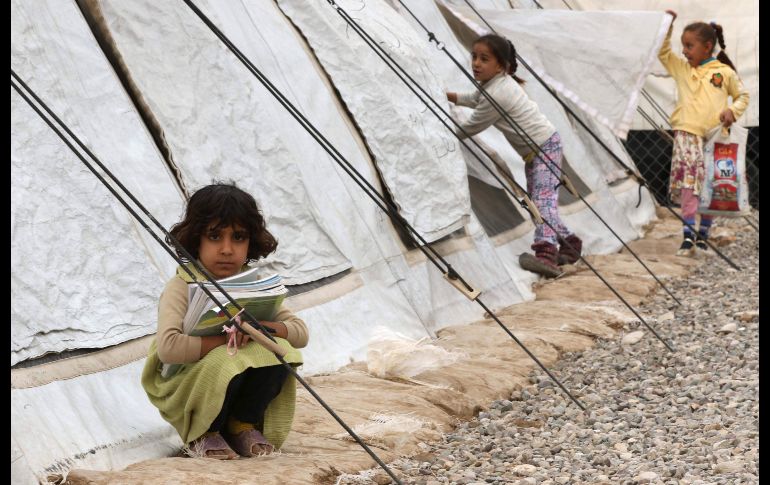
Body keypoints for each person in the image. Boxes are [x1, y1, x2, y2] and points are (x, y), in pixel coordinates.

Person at [141, 182, 308, 459]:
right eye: (215, 237)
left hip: (230, 371)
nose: (227, 249)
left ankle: (241, 424)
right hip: (184, 386)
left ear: (251, 241)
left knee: (283, 351)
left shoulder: (254, 284)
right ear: (196, 239)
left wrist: (261, 329)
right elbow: (169, 348)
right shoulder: (182, 286)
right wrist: (226, 338)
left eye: (238, 238)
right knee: (226, 358)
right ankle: (205, 432)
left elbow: (300, 333)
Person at [446, 34, 581, 278]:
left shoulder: (499, 92)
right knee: (540, 202)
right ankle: (570, 244)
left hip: (543, 146)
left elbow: (473, 125)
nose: (476, 63)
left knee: (542, 202)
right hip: (537, 149)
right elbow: (475, 100)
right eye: (474, 57)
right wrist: (450, 96)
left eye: (484, 59)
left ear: (501, 65)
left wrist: (444, 134)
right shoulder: (494, 85)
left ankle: (546, 254)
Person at [659, 10, 749, 256]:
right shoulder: (682, 69)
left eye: (690, 46)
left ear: (707, 46)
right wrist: (668, 26)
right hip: (687, 134)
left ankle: (703, 234)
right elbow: (663, 53)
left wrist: (732, 110)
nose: (685, 51)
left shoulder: (723, 72)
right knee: (690, 184)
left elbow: (743, 95)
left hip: (716, 136)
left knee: (712, 183)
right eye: (683, 46)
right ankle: (687, 235)